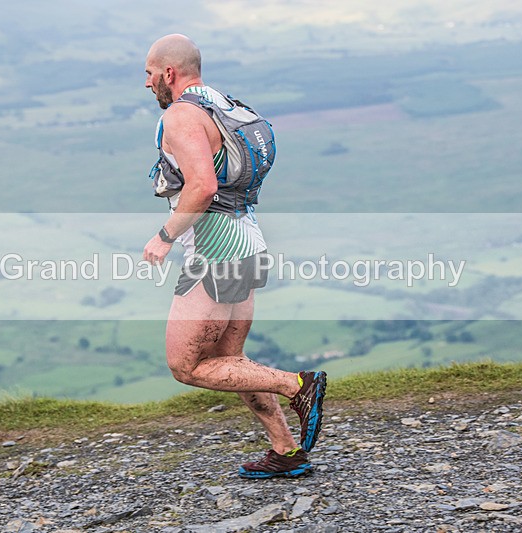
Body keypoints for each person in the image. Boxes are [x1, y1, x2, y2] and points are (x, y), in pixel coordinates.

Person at [141, 34, 327, 479]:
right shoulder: (223, 105)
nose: (146, 84)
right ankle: (285, 450)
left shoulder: (183, 116)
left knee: (185, 366)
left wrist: (164, 236)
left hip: (216, 252)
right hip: (248, 243)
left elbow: (202, 186)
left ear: (169, 73)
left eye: (149, 73)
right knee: (231, 361)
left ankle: (297, 385)